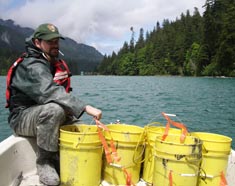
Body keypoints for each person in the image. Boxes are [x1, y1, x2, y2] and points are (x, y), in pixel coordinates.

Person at [6, 23, 102, 186]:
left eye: (56, 41)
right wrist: (85, 107)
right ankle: (45, 162)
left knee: (81, 129)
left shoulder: (51, 61)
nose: (55, 44)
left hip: (41, 114)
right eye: (50, 41)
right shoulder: (32, 65)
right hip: (22, 117)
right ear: (37, 43)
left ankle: (67, 157)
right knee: (54, 109)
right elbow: (50, 91)